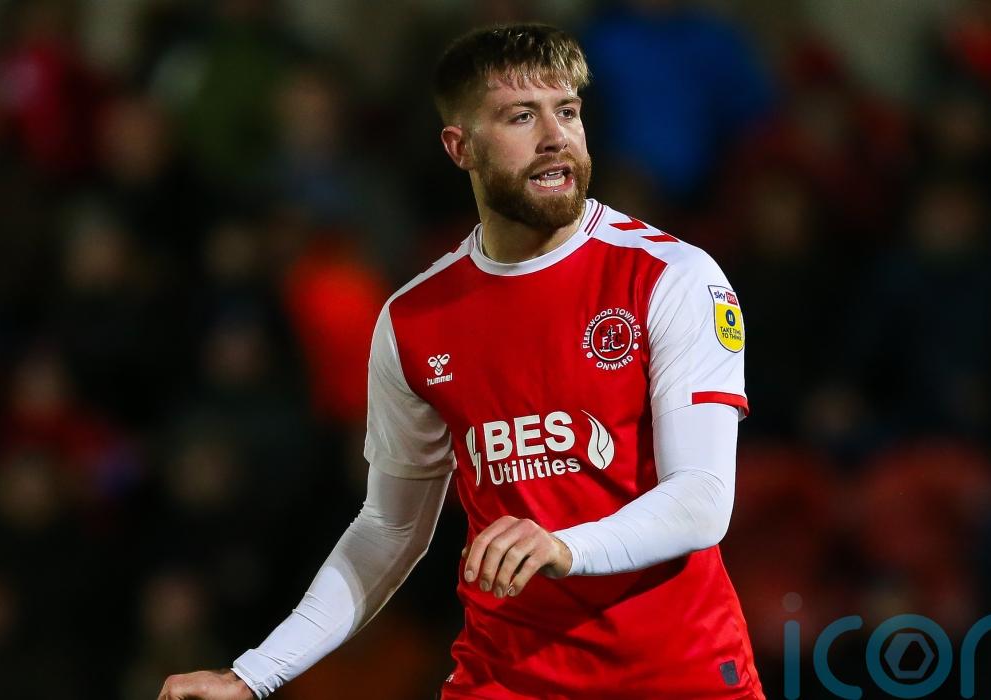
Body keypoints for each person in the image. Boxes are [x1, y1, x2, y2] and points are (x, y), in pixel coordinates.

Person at [157, 23, 763, 699]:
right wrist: (252, 675)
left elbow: (702, 497)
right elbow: (389, 528)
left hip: (676, 674)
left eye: (567, 111)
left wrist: (567, 546)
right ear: (460, 146)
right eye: (521, 116)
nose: (555, 136)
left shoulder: (671, 276)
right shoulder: (414, 321)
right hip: (507, 678)